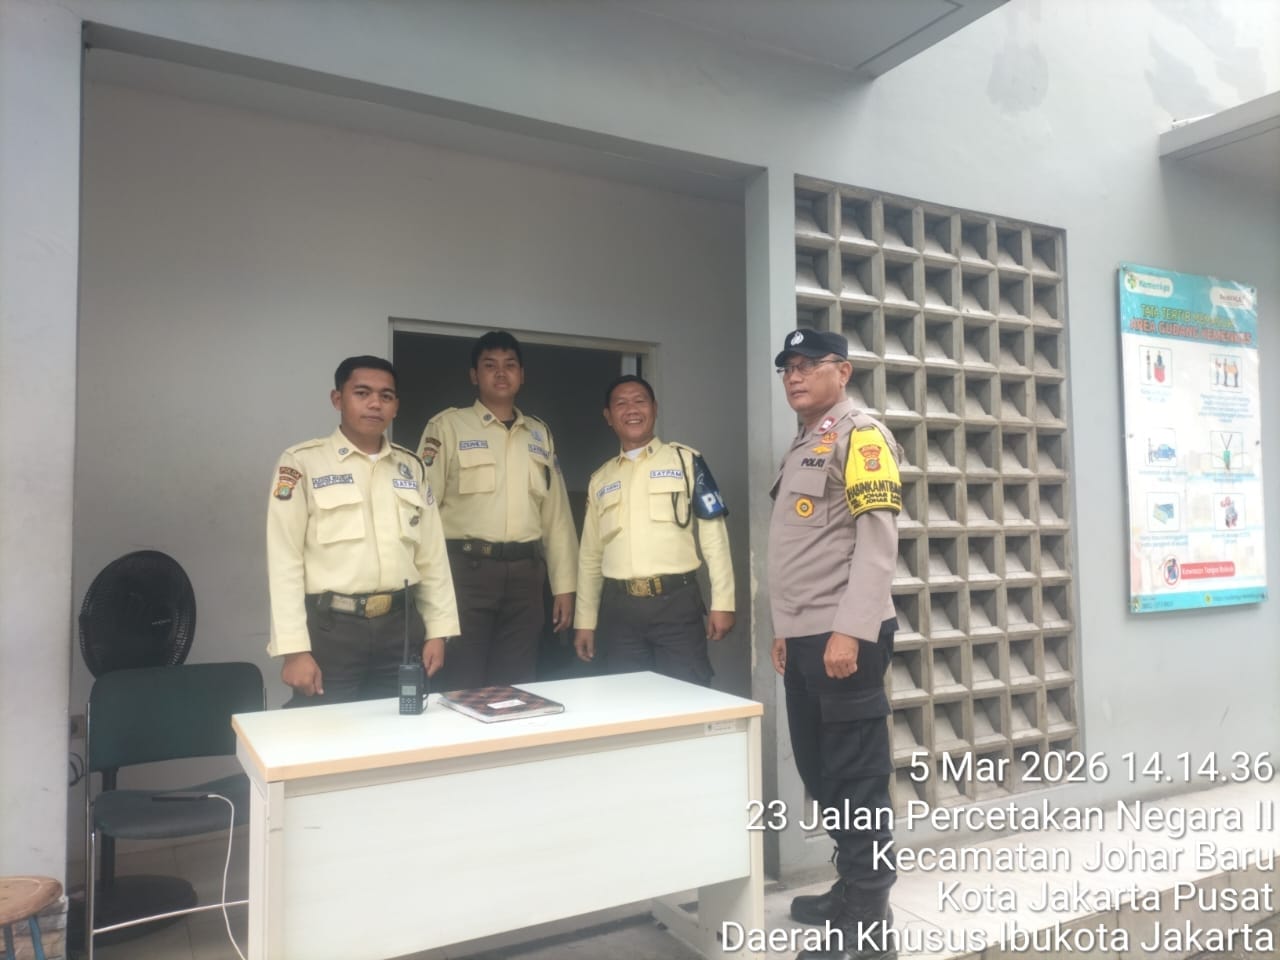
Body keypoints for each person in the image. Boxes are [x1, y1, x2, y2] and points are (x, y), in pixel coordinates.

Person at [768, 329, 902, 960]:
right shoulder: (807, 441)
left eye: (807, 365)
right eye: (787, 368)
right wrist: (784, 629)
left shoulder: (862, 436)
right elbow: (803, 549)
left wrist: (851, 629)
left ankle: (870, 929)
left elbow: (877, 545)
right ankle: (852, 890)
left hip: (843, 636)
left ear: (842, 372)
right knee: (823, 775)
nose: (794, 376)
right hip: (805, 637)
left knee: (856, 781)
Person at [267, 356, 459, 706]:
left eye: (386, 396)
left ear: (396, 406)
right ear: (337, 399)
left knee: (399, 728)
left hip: (400, 630)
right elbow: (284, 561)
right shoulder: (303, 463)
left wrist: (439, 631)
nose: (375, 403)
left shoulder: (411, 466)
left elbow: (432, 556)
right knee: (328, 730)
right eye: (362, 393)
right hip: (333, 631)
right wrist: (294, 650)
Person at [418, 331, 577, 688]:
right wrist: (426, 592)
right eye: (490, 366)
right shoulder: (447, 427)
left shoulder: (539, 434)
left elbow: (557, 517)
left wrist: (564, 586)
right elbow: (423, 514)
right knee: (461, 680)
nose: (501, 373)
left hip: (526, 577)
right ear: (474, 375)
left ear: (522, 374)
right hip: (466, 574)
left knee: (517, 683)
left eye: (510, 366)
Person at [573, 375, 734, 686]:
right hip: (620, 612)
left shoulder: (686, 461)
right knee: (627, 700)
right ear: (608, 416)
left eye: (640, 401)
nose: (631, 410)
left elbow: (714, 538)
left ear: (655, 409)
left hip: (676, 604)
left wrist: (723, 603)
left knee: (688, 697)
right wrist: (585, 621)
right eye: (621, 403)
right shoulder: (601, 479)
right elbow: (590, 556)